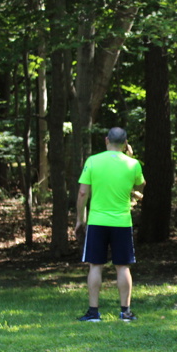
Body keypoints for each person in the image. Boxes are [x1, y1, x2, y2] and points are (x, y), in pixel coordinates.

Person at [75, 127, 145, 322]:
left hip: (97, 222)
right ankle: (125, 312)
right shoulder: (133, 164)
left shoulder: (93, 161)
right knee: (123, 267)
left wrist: (80, 219)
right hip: (122, 222)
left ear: (106, 140)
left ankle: (93, 313)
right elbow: (141, 185)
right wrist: (133, 194)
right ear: (125, 143)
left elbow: (82, 193)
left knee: (95, 266)